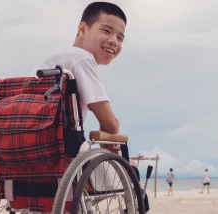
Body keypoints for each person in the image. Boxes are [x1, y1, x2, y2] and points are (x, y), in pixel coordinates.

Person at [35, 2, 149, 212]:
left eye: (120, 37)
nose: (114, 41)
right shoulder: (82, 59)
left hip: (32, 155)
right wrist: (109, 136)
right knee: (130, 168)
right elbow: (110, 124)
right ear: (82, 29)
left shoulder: (51, 60)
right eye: (107, 30)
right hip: (64, 159)